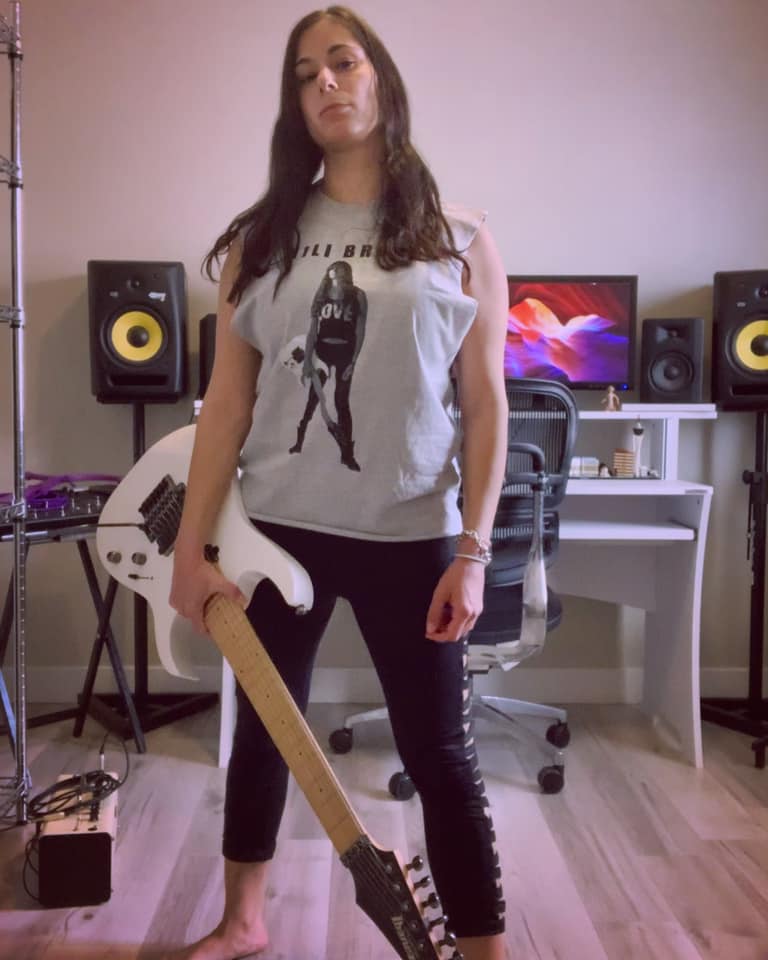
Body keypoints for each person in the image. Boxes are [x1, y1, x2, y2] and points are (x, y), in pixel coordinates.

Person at [168, 7, 509, 960]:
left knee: (440, 755)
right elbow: (227, 406)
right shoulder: (264, 239)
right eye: (304, 72)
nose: (324, 81)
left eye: (343, 62)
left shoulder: (459, 237)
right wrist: (193, 549)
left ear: (380, 82)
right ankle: (243, 922)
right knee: (266, 731)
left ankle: (486, 950)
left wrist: (475, 551)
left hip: (412, 536)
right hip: (278, 529)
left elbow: (486, 407)